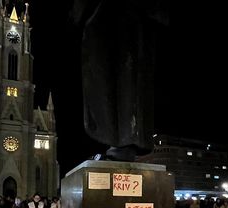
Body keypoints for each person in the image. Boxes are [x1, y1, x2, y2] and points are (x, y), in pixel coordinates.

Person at [72, 0, 168, 161]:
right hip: (108, 20)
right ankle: (121, 141)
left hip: (130, 23)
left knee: (129, 86)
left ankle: (127, 142)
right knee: (105, 82)